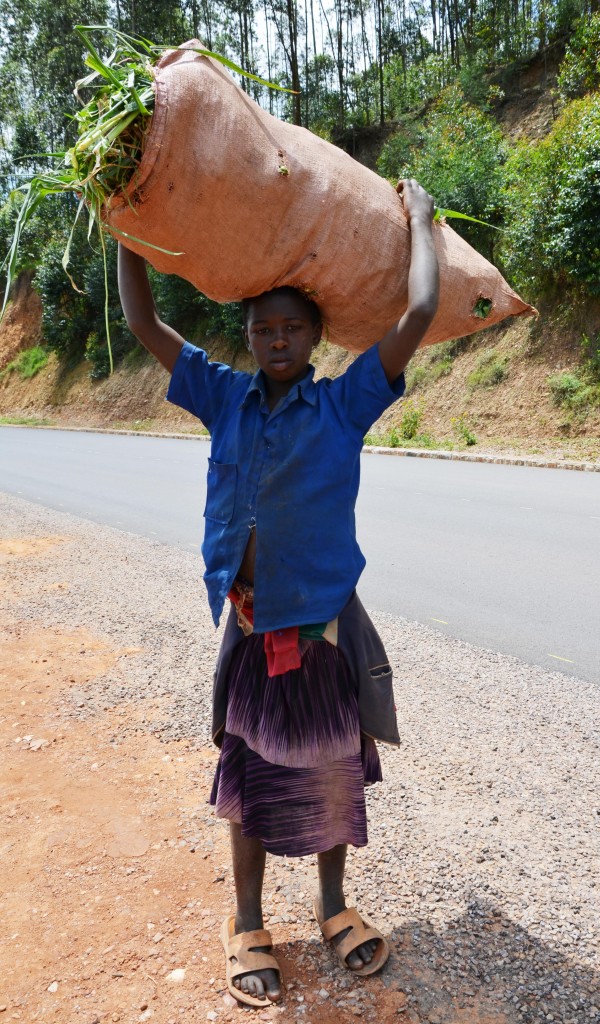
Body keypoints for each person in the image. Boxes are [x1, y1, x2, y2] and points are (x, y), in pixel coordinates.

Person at [117, 178, 440, 1009]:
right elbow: (145, 325)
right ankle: (248, 921)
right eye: (264, 328)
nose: (278, 339)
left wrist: (426, 223)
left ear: (316, 335)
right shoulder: (222, 395)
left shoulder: (343, 405)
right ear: (250, 336)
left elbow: (416, 317)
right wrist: (127, 227)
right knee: (249, 780)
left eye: (293, 327)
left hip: (325, 631)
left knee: (333, 771)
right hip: (254, 631)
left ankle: (332, 906)